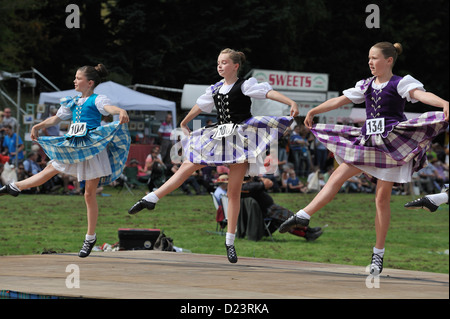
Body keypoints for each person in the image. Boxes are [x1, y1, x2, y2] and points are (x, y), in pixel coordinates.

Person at [279, 42, 449, 275]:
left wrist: (444, 103)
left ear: (389, 60)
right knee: (336, 176)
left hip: (390, 146)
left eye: (375, 58)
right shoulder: (366, 85)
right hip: (368, 141)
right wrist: (314, 110)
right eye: (369, 58)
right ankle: (303, 215)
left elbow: (420, 95)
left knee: (381, 199)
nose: (370, 62)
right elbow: (340, 100)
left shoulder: (400, 83)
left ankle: (378, 255)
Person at [128, 48, 299, 263]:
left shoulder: (245, 85)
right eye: (218, 62)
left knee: (234, 192)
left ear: (235, 66)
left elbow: (267, 93)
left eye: (225, 62)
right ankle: (151, 197)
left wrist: (290, 102)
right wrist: (184, 121)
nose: (220, 66)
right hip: (219, 135)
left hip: (239, 138)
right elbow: (200, 106)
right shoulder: (215, 88)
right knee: (187, 167)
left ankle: (230, 241)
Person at [0, 64, 130, 258]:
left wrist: (119, 110)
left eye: (78, 78)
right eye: (75, 77)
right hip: (73, 146)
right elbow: (55, 119)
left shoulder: (98, 99)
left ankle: (90, 237)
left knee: (88, 194)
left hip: (91, 148)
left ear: (90, 82)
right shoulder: (73, 101)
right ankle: (15, 187)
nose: (74, 81)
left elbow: (108, 109)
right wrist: (38, 125)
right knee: (49, 170)